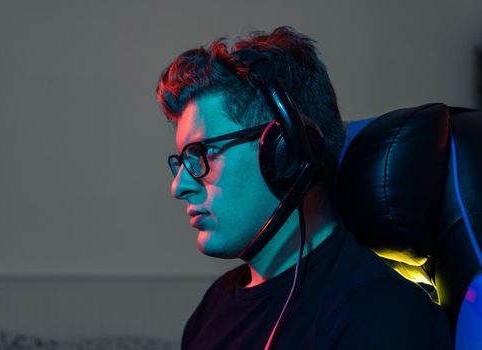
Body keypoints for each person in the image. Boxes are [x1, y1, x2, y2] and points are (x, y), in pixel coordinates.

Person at [156, 26, 453, 349]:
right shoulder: (214, 306)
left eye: (200, 153)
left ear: (286, 152)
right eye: (181, 160)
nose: (179, 186)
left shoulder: (381, 315)